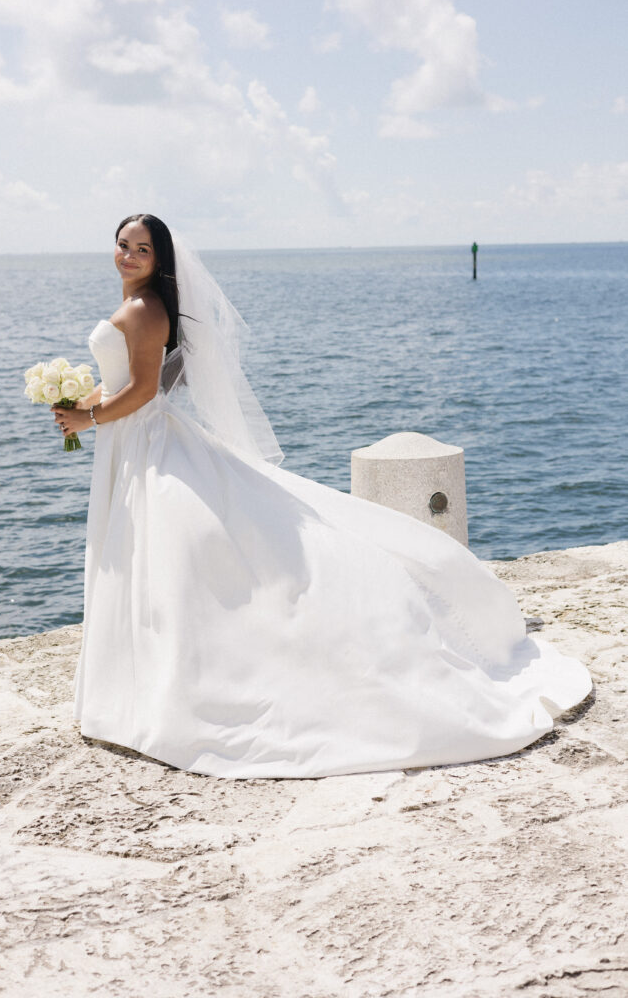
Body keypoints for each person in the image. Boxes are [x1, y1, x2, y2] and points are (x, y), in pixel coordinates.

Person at [53, 213, 592, 779]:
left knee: (158, 555)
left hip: (143, 441)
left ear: (160, 258)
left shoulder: (142, 309)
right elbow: (148, 383)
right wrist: (88, 400)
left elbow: (141, 391)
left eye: (141, 248)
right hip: (139, 438)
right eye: (122, 245)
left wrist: (87, 416)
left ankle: (157, 689)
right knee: (154, 557)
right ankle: (148, 681)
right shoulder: (150, 306)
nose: (129, 255)